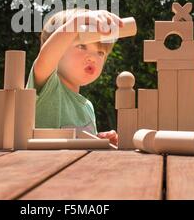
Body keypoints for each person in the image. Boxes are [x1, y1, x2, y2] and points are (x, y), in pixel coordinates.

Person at [26, 8, 123, 146]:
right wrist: (78, 22)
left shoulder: (87, 107)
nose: (93, 58)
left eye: (100, 53)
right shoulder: (47, 86)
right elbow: (47, 57)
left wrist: (100, 142)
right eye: (82, 46)